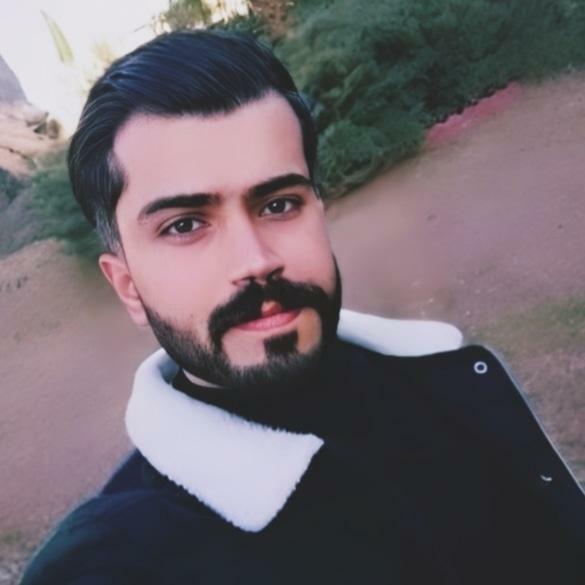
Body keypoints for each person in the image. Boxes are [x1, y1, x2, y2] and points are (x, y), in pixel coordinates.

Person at [21, 29, 584, 585]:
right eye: (186, 225)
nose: (256, 260)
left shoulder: (443, 379)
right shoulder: (109, 564)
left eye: (278, 204)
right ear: (127, 287)